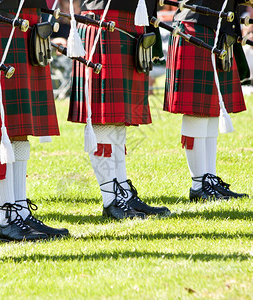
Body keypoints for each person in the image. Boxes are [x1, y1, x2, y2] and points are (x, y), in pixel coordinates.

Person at [0, 0, 69, 241]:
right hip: (0, 19)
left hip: (30, 20)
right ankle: (7, 219)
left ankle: (21, 211)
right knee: (0, 126)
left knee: (20, 126)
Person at [68, 0, 171, 219]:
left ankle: (122, 191)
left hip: (131, 19)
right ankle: (111, 199)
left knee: (117, 118)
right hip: (103, 20)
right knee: (104, 118)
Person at [164, 0, 253, 201]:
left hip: (217, 26)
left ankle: (208, 179)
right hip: (195, 24)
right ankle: (198, 185)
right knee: (197, 110)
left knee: (212, 108)